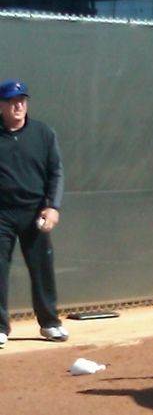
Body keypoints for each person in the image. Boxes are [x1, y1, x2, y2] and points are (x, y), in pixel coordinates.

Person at [0, 80, 68, 348]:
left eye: (22, 100)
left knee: (42, 269)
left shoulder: (43, 133)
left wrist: (53, 207)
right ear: (2, 105)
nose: (18, 105)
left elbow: (56, 172)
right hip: (1, 214)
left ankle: (50, 323)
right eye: (12, 101)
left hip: (35, 212)